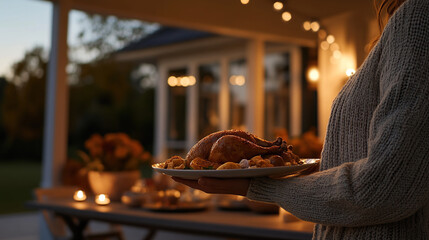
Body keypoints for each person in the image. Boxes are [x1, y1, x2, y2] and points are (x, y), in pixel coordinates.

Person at [173, 0, 429, 238]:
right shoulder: (404, 24)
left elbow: (386, 187)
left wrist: (260, 189)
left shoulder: (418, 16)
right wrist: (301, 171)